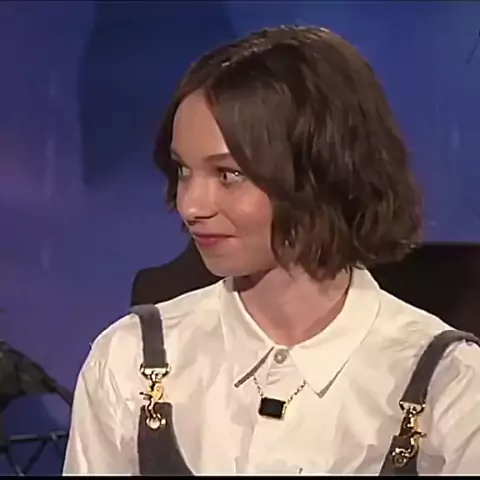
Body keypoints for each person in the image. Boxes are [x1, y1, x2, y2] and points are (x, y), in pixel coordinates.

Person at [63, 25, 480, 475]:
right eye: (183, 171)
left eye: (228, 175)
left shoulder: (450, 384)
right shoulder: (130, 360)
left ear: (324, 173)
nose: (191, 206)